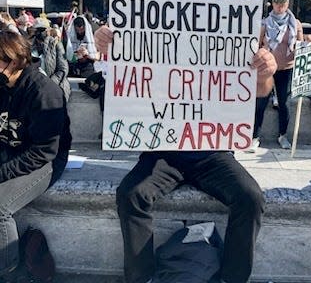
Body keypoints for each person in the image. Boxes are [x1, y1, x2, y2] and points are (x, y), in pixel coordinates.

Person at [94, 25, 277, 283]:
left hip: (213, 150)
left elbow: (261, 88)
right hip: (163, 151)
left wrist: (265, 73)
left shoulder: (235, 25)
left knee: (250, 197)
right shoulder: (154, 22)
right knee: (131, 194)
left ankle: (232, 279)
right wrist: (110, 45)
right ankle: (142, 278)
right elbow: (127, 65)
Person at [0, 30, 72, 281]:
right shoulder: (4, 86)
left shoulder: (44, 91)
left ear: (13, 60)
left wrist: (2, 173)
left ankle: (8, 272)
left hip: (44, 161)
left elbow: (44, 151)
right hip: (12, 151)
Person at [251, 0, 303, 151]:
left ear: (287, 4)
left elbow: (300, 45)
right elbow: (256, 45)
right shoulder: (264, 23)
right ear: (272, 4)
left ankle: (282, 135)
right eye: (277, 2)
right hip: (267, 70)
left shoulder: (295, 23)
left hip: (286, 68)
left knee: (284, 103)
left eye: (283, 3)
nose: (280, 6)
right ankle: (255, 136)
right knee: (260, 103)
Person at [30, 17, 71, 102]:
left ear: (48, 30)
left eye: (43, 29)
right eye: (38, 29)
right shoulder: (29, 46)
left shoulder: (56, 44)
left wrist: (49, 83)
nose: (40, 32)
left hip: (55, 87)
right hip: (36, 90)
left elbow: (63, 69)